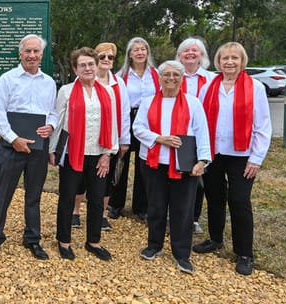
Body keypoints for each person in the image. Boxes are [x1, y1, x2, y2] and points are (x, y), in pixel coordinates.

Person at [195, 42, 272, 276]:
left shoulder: (255, 87)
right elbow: (199, 123)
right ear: (218, 61)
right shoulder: (208, 86)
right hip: (214, 153)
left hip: (242, 155)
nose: (229, 62)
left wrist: (256, 158)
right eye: (224, 58)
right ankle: (216, 239)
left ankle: (245, 253)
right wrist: (202, 154)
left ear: (242, 61)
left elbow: (263, 126)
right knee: (215, 197)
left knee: (239, 201)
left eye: (234, 58)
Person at [0, 34, 58, 263]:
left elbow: (53, 112)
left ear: (41, 55)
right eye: (28, 51)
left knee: (34, 195)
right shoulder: (7, 79)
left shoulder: (49, 82)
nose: (32, 56)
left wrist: (51, 126)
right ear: (20, 54)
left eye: (36, 52)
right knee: (2, 195)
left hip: (37, 148)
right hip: (11, 147)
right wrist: (14, 139)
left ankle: (32, 239)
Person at [133, 60, 212, 274]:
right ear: (159, 78)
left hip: (184, 165)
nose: (171, 78)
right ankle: (154, 245)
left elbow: (202, 132)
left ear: (182, 78)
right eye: (166, 74)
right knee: (156, 206)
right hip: (153, 163)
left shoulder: (193, 103)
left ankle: (182, 253)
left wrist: (203, 160)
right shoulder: (148, 102)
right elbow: (138, 128)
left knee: (182, 210)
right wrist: (159, 138)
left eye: (176, 75)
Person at [50, 48, 119, 261]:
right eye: (83, 65)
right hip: (73, 152)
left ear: (97, 66)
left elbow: (113, 123)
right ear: (74, 69)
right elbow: (58, 120)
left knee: (97, 200)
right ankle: (64, 241)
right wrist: (53, 149)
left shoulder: (107, 91)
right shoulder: (67, 92)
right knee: (68, 198)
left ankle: (94, 242)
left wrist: (108, 153)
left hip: (98, 154)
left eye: (91, 64)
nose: (88, 68)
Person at [71, 42, 130, 231]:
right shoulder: (81, 79)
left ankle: (103, 214)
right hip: (84, 138)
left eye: (110, 57)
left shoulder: (118, 83)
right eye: (102, 56)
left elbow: (124, 113)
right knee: (80, 178)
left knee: (106, 177)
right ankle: (75, 212)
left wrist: (123, 140)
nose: (106, 60)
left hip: (109, 140)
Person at [109, 37, 160, 221]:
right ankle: (115, 204)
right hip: (126, 118)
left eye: (143, 49)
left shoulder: (156, 74)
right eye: (135, 49)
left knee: (144, 164)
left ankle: (141, 206)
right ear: (129, 54)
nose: (140, 52)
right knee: (120, 161)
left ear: (147, 52)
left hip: (148, 121)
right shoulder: (121, 75)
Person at [176, 37, 215, 234]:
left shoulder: (211, 79)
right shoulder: (173, 76)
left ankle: (193, 218)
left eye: (195, 50)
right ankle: (173, 215)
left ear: (202, 55)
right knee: (177, 175)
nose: (190, 53)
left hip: (202, 132)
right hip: (179, 134)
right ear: (180, 56)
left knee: (198, 176)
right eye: (186, 51)